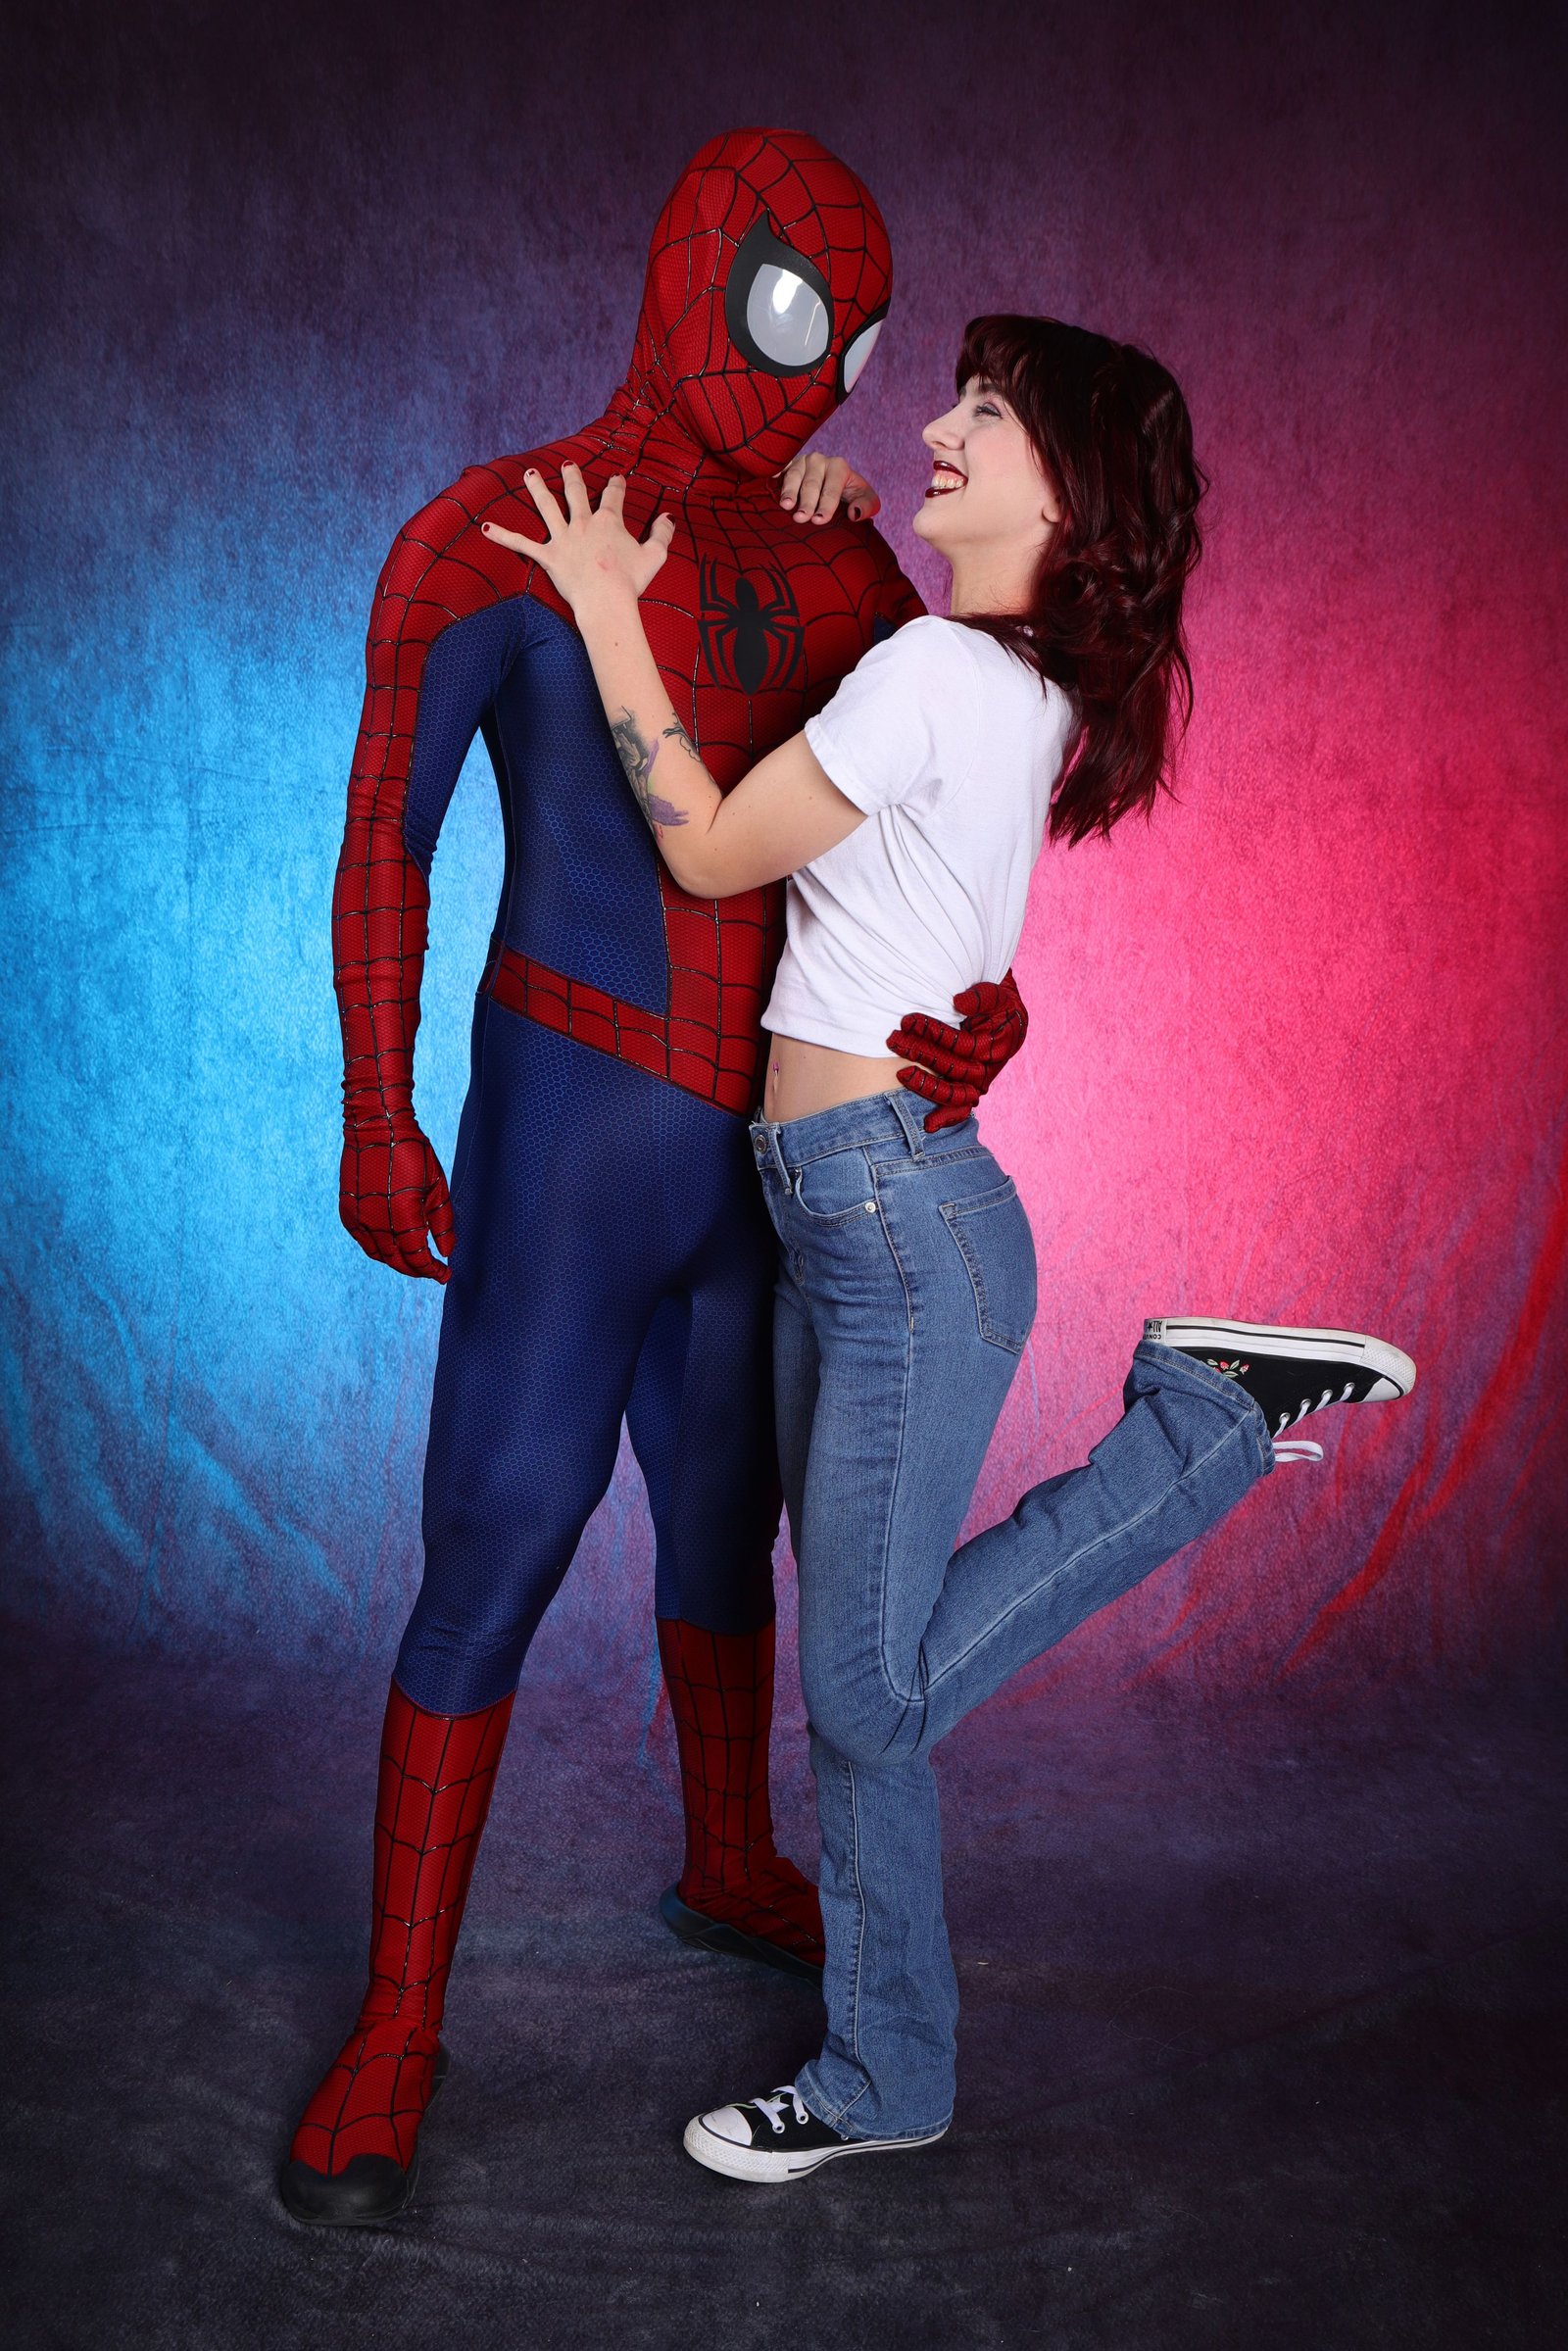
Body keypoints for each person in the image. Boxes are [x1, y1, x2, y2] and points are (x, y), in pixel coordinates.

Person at [482, 310, 1416, 2183]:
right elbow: (910, 832)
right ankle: (887, 2072)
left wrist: (600, 605)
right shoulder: (1003, 682)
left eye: (989, 413)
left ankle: (1206, 1422)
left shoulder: (935, 671)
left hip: (899, 1228)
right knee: (870, 1693)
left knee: (868, 1691)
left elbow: (710, 850)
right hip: (852, 1207)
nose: (938, 424)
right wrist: (834, 514)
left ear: (1067, 505)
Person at [280, 129, 1033, 2230]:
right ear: (702, 280)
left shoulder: (850, 570)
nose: (823, 382)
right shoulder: (496, 535)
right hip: (570, 1135)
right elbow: (385, 833)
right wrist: (370, 1102)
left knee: (729, 1531)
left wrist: (981, 1012)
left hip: (773, 1159)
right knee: (496, 1544)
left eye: (854, 347)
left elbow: (927, 828)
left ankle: (725, 1858)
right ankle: (400, 2022)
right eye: (800, 317)